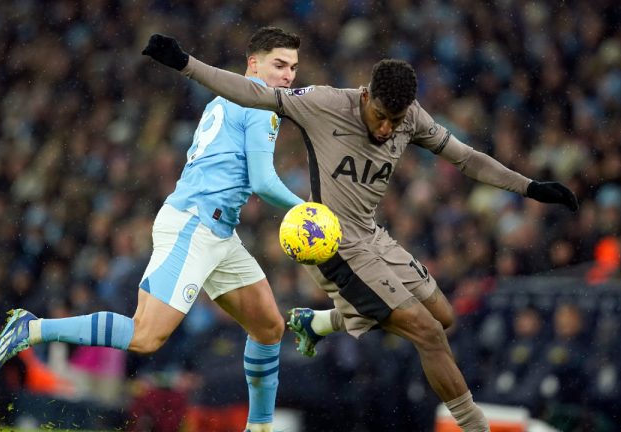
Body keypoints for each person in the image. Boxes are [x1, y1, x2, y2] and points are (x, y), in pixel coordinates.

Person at [140, 33, 579, 432]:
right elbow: (251, 93)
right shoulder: (325, 103)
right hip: (333, 245)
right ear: (367, 95)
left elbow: (466, 158)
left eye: (396, 120)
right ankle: (476, 427)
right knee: (429, 333)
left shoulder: (411, 119)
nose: (388, 128)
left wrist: (530, 187)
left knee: (444, 318)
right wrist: (186, 64)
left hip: (373, 236)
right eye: (382, 117)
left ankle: (320, 322)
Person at [0, 27, 304, 432]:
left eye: (294, 68)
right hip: (195, 226)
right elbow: (262, 181)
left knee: (269, 326)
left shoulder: (228, 97)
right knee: (145, 336)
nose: (288, 76)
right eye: (280, 65)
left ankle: (258, 427)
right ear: (253, 64)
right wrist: (311, 211)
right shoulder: (259, 105)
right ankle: (32, 328)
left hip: (219, 233)